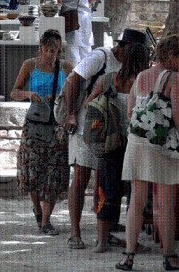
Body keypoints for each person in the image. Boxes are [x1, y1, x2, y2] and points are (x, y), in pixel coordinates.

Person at [61, 28, 151, 249]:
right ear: (125, 47)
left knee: (106, 181)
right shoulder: (100, 57)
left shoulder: (128, 68)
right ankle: (75, 232)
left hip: (111, 135)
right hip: (87, 126)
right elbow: (73, 79)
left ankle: (106, 233)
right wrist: (71, 114)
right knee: (81, 176)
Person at [118, 34, 179, 271]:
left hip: (137, 143)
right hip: (161, 146)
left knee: (136, 202)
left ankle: (129, 256)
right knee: (164, 203)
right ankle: (170, 256)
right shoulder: (174, 79)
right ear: (171, 55)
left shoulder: (140, 76)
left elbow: (131, 111)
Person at [87, 39, 151, 253]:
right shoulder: (144, 84)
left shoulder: (108, 80)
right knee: (135, 195)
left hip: (108, 143)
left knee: (106, 192)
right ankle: (132, 242)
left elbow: (90, 104)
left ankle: (101, 241)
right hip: (136, 144)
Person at [13, 30, 69, 233]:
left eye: (54, 51)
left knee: (53, 172)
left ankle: (46, 220)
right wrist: (29, 94)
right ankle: (37, 210)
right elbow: (14, 91)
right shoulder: (30, 65)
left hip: (56, 126)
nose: (50, 55)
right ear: (41, 48)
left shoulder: (65, 68)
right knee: (33, 171)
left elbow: (78, 90)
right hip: (34, 124)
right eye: (47, 50)